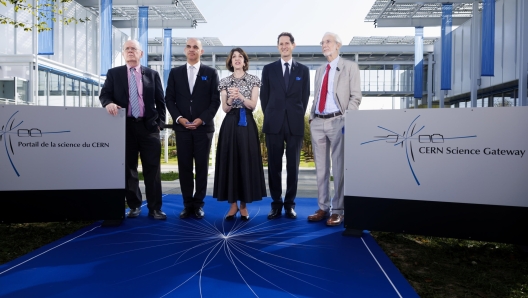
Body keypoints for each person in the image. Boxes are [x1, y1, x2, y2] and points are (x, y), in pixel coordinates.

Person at [99, 39, 167, 220]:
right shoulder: (114, 74)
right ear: (123, 53)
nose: (130, 51)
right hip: (124, 127)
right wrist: (109, 103)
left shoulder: (152, 74)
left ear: (140, 53)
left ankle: (155, 209)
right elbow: (104, 94)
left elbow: (161, 102)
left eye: (133, 49)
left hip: (149, 127)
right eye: (127, 49)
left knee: (152, 170)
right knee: (129, 169)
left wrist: (160, 123)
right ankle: (134, 205)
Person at [307, 32, 362, 226]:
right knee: (321, 169)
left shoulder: (350, 67)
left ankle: (338, 210)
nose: (324, 45)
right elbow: (317, 96)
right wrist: (312, 117)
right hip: (318, 122)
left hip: (338, 121)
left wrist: (347, 118)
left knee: (338, 168)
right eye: (322, 42)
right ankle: (323, 207)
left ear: (338, 45)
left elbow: (356, 97)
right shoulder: (320, 70)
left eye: (327, 41)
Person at [165, 38, 220, 220]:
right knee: (185, 168)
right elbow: (169, 99)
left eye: (195, 47)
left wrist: (201, 119)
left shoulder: (210, 73)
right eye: (188, 46)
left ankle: (198, 205)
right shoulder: (175, 73)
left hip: (203, 129)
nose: (191, 49)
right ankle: (187, 204)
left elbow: (215, 101)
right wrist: (179, 119)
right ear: (185, 50)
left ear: (201, 51)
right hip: (182, 129)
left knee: (202, 167)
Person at [260, 32, 310, 220]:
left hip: (294, 124)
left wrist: (294, 114)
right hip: (273, 123)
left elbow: (304, 98)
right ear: (278, 47)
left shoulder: (303, 70)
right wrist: (273, 114)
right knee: (273, 166)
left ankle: (289, 204)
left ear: (293, 45)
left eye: (287, 43)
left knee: (293, 166)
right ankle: (276, 204)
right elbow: (264, 97)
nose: (284, 46)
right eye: (281, 44)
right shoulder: (268, 69)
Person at [213, 48, 267, 221]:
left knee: (246, 161)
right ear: (230, 61)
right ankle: (233, 205)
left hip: (246, 122)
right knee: (230, 162)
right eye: (234, 57)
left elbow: (253, 105)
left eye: (240, 57)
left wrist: (241, 97)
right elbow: (225, 108)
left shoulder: (253, 80)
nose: (237, 59)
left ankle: (243, 205)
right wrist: (229, 99)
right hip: (229, 123)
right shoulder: (224, 81)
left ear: (244, 61)